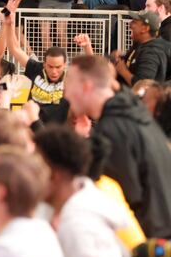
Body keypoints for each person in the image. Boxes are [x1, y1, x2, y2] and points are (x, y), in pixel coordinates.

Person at [63, 55, 171, 238]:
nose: (66, 94)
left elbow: (121, 203)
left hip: (149, 245)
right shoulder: (133, 113)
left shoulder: (113, 130)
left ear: (86, 86)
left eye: (69, 87)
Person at [34, 125, 130, 257]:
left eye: (36, 168)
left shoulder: (78, 226)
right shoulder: (83, 202)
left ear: (54, 174)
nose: (30, 176)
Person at [111, 10, 170, 85]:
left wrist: (123, 71)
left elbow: (143, 86)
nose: (130, 24)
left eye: (134, 22)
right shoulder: (140, 43)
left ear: (144, 29)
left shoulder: (151, 53)